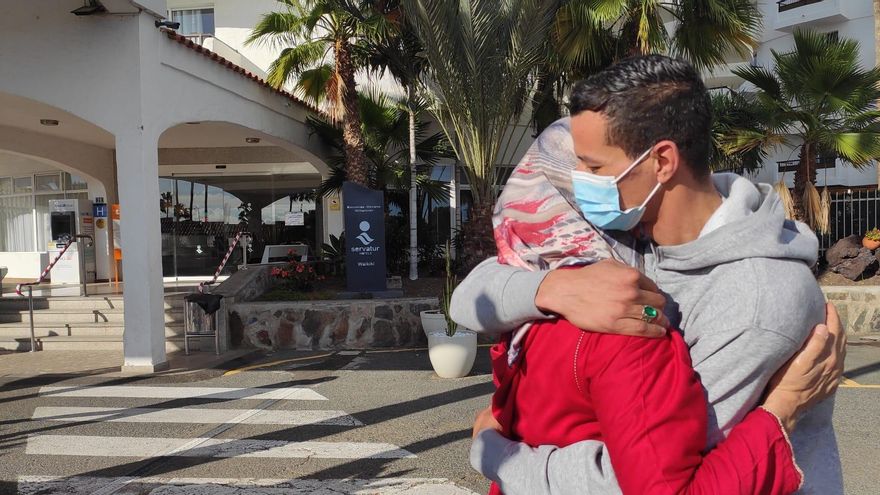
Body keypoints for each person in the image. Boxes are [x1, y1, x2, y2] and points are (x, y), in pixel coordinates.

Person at [453, 55, 844, 494]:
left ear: (661, 161)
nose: (578, 180)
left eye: (594, 167)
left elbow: (653, 479)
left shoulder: (755, 298)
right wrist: (553, 288)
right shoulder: (632, 234)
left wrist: (496, 454)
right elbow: (469, 299)